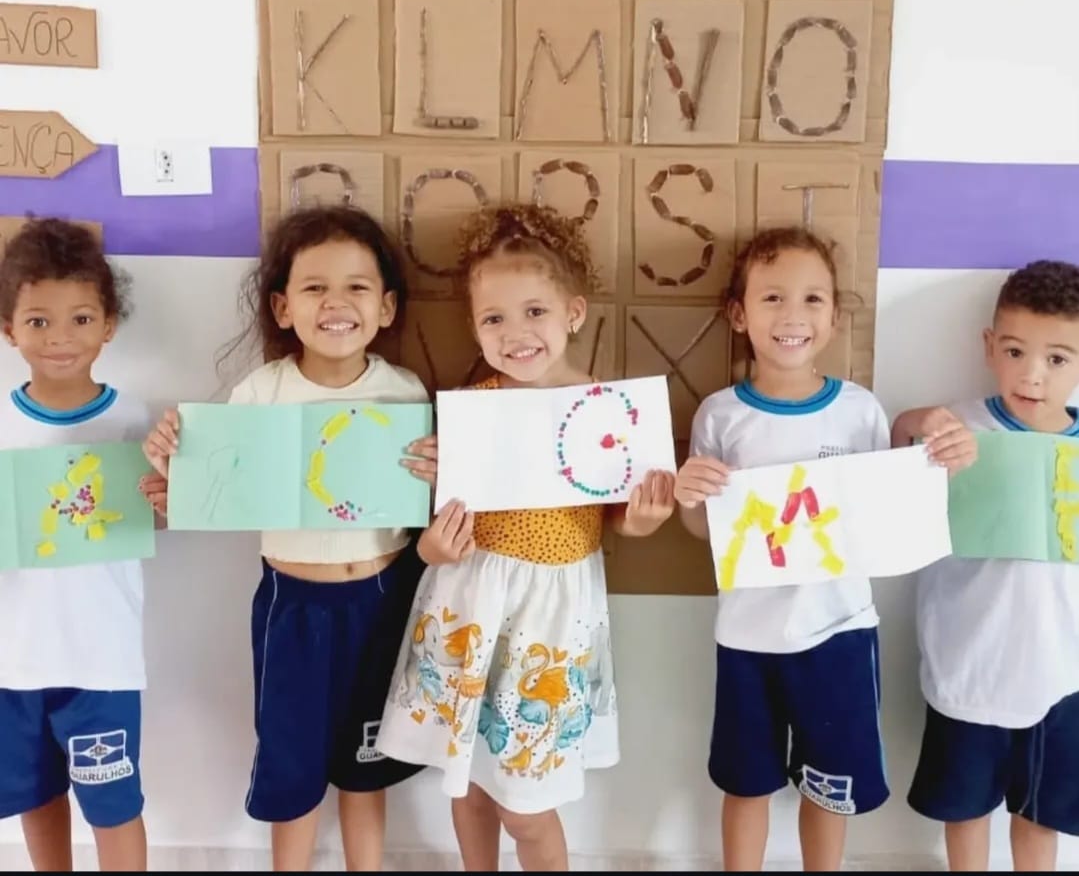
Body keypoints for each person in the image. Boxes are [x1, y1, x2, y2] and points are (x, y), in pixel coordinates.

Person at [377, 204, 676, 872]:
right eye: (493, 319)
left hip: (550, 617)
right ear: (474, 328)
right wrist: (434, 529)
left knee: (527, 806)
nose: (515, 333)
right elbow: (433, 528)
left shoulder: (607, 411)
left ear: (573, 313)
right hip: (470, 599)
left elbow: (620, 519)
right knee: (467, 784)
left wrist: (644, 517)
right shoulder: (470, 410)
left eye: (534, 311)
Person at [140, 206, 436, 872]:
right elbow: (212, 487)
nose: (336, 303)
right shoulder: (260, 392)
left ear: (386, 307)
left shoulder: (405, 391)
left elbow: (427, 498)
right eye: (314, 287)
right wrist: (173, 465)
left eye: (357, 286)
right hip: (293, 604)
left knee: (367, 763)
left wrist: (440, 473)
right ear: (282, 307)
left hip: (384, 600)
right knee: (292, 761)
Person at [673, 226, 975, 872]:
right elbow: (705, 533)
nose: (793, 316)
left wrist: (930, 441)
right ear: (738, 314)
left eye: (812, 299)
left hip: (839, 632)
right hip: (747, 636)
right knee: (745, 782)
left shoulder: (859, 410)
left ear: (834, 318)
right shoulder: (719, 415)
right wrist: (689, 496)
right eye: (772, 297)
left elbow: (886, 503)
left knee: (830, 787)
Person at [894, 259, 1079, 872]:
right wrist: (920, 424)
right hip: (968, 666)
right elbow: (895, 447)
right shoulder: (960, 427)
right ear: (989, 346)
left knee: (1041, 815)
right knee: (966, 810)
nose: (1032, 375)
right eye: (1015, 351)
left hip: (1060, 673)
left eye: (1058, 358)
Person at [0, 218, 155, 871]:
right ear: (8, 329)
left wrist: (167, 499)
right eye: (38, 321)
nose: (60, 337)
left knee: (113, 805)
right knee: (36, 795)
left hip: (101, 657)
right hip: (14, 657)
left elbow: (155, 518)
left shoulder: (135, 420)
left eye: (81, 319)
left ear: (108, 325)